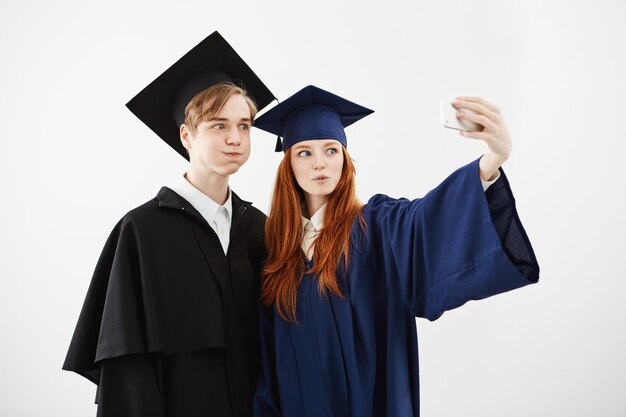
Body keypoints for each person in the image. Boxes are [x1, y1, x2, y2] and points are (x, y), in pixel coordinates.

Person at [251, 85, 539, 416]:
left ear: (345, 160)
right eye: (305, 153)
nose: (320, 164)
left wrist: (491, 160)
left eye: (331, 150)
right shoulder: (275, 253)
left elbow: (426, 221)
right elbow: (267, 363)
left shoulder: (374, 227)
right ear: (288, 165)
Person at [62, 31, 275, 417]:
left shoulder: (259, 230)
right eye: (218, 125)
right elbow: (126, 365)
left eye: (244, 126)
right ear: (186, 135)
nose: (235, 138)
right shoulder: (142, 231)